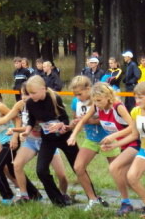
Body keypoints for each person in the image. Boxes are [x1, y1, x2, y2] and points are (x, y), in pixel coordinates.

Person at [99, 81, 145, 218]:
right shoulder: (135, 111)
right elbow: (134, 134)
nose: (137, 101)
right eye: (136, 98)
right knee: (131, 177)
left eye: (140, 98)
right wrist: (115, 145)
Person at [23, 75, 80, 206]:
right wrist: (26, 131)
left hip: (64, 136)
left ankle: (93, 198)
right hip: (47, 139)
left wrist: (60, 125)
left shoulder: (55, 98)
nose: (31, 96)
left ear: (43, 89)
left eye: (33, 93)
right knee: (41, 170)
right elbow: (31, 120)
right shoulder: (30, 103)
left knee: (78, 168)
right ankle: (57, 200)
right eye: (29, 93)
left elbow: (65, 119)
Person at [63, 76, 109, 209]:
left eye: (80, 94)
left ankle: (126, 200)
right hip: (90, 139)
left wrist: (89, 120)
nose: (78, 97)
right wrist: (70, 126)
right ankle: (92, 199)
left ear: (88, 89)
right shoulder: (75, 102)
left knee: (117, 170)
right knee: (78, 167)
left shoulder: (98, 98)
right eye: (75, 94)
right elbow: (75, 121)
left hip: (108, 137)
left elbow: (107, 118)